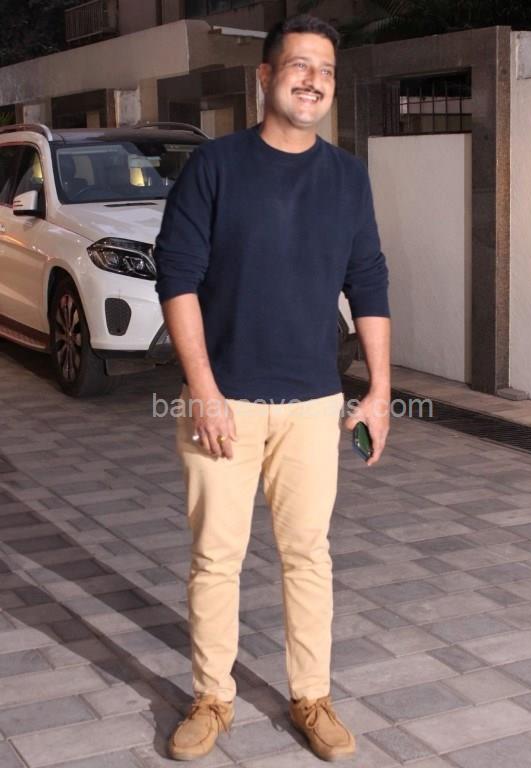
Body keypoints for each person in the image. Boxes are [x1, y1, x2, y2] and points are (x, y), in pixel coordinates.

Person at [153, 14, 391, 762]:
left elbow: (368, 281)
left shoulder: (347, 176)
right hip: (223, 400)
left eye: (325, 69)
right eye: (298, 65)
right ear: (265, 76)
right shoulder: (216, 166)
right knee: (215, 559)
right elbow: (176, 277)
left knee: (308, 556)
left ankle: (311, 696)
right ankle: (211, 698)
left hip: (313, 402)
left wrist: (379, 390)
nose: (313, 80)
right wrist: (202, 389)